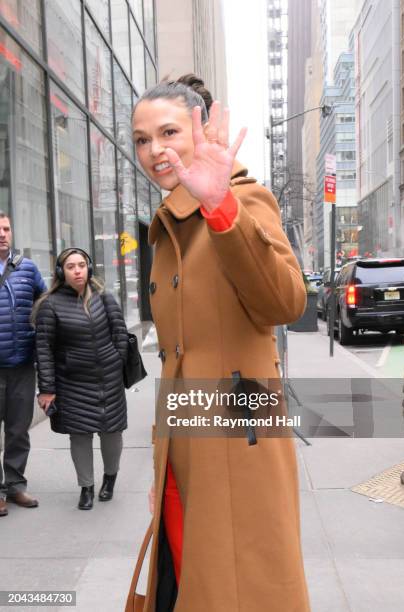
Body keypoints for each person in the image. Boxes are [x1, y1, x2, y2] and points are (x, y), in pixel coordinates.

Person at [130, 75, 311, 611]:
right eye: (142, 139)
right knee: (189, 581)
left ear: (200, 130)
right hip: (184, 440)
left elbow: (285, 303)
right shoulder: (166, 226)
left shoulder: (240, 198)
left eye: (168, 132)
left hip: (238, 438)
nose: (155, 149)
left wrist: (221, 209)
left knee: (239, 587)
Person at [33, 248, 128, 510]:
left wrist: (116, 361)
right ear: (61, 273)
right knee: (80, 435)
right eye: (71, 267)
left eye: (81, 266)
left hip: (108, 380)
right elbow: (44, 350)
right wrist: (48, 389)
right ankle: (86, 487)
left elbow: (120, 333)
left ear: (89, 268)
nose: (77, 271)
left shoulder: (104, 298)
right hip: (72, 382)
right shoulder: (50, 305)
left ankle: (110, 479)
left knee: (112, 433)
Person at [0, 210, 46, 517]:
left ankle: (15, 486)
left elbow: (45, 303)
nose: (2, 234)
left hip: (21, 364)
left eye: (5, 228)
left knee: (18, 429)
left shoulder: (27, 268)